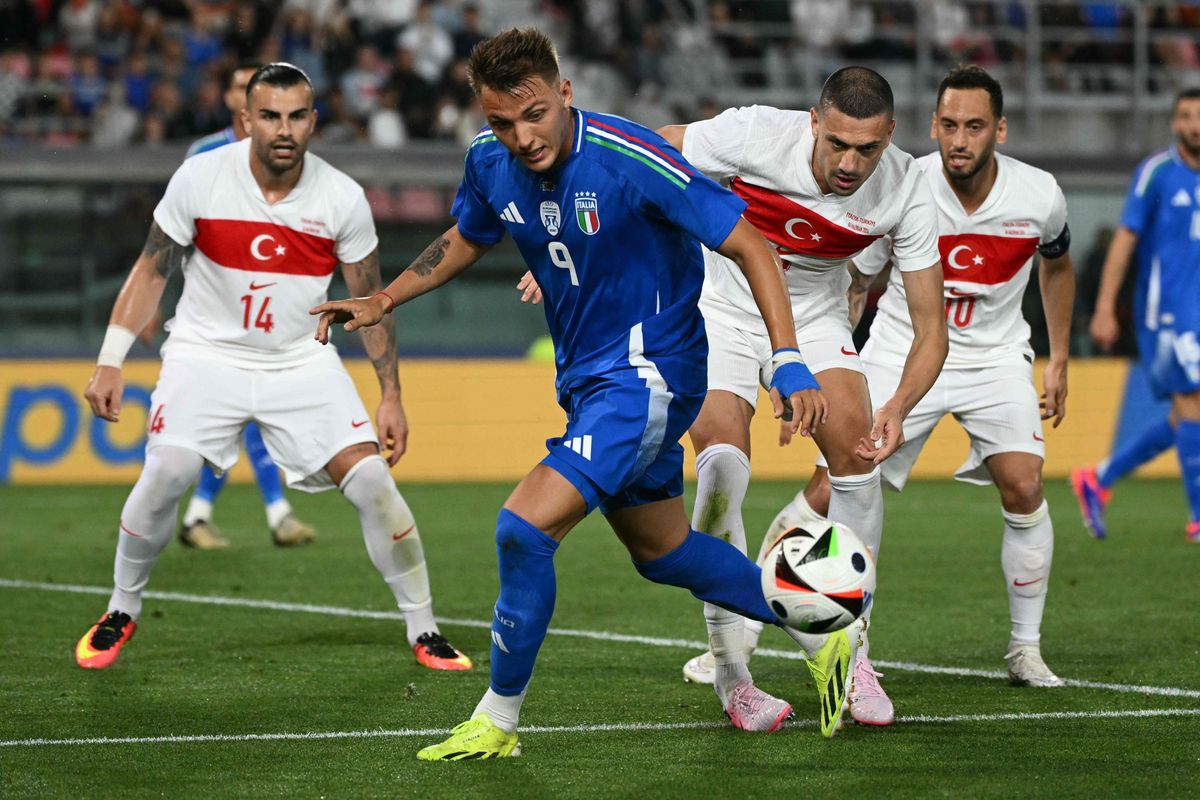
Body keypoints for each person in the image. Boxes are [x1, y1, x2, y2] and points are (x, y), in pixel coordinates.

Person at [311, 28, 850, 759]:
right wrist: (387, 299)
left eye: (534, 113)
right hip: (591, 381)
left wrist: (786, 358)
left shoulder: (632, 157)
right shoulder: (488, 163)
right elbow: (469, 234)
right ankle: (820, 618)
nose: (522, 136)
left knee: (523, 528)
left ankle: (498, 719)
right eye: (502, 121)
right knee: (661, 551)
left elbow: (749, 243)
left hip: (651, 374)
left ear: (564, 93)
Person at [75, 63, 472, 675]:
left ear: (313, 121)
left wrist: (390, 395)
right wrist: (110, 361)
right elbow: (153, 268)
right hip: (205, 354)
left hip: (299, 360)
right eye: (269, 116)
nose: (282, 129)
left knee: (372, 483)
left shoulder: (342, 197)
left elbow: (369, 303)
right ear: (246, 120)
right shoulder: (200, 178)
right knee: (168, 471)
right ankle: (120, 610)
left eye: (295, 116)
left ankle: (425, 629)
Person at [659, 67, 947, 727]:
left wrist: (897, 408)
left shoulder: (907, 188)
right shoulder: (754, 132)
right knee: (723, 465)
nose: (850, 163)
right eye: (838, 142)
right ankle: (734, 677)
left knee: (860, 457)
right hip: (718, 308)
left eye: (866, 149)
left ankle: (851, 653)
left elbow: (932, 330)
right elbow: (654, 148)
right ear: (814, 122)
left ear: (890, 139)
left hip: (814, 318)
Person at [772, 65, 1076, 690]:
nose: (959, 139)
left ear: (1000, 129)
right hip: (902, 350)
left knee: (1024, 484)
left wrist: (1061, 356)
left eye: (974, 126)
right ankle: (754, 620)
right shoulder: (900, 186)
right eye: (947, 125)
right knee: (835, 484)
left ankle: (1026, 648)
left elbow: (1059, 265)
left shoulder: (1040, 194)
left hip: (995, 358)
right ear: (931, 126)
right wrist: (826, 362)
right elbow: (857, 280)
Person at [175, 59, 317, 550]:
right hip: (216, 304)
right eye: (238, 87)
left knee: (248, 411)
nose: (244, 96)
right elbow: (180, 228)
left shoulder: (284, 154)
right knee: (235, 411)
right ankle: (258, 514)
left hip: (268, 300)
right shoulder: (206, 153)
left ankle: (207, 515)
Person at [1071, 88, 1200, 543]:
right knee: (1192, 405)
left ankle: (1099, 477)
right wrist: (1105, 307)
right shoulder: (1157, 174)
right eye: (1186, 116)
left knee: (1189, 415)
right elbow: (1125, 240)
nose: (1195, 125)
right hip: (1165, 311)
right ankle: (1198, 518)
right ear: (1174, 123)